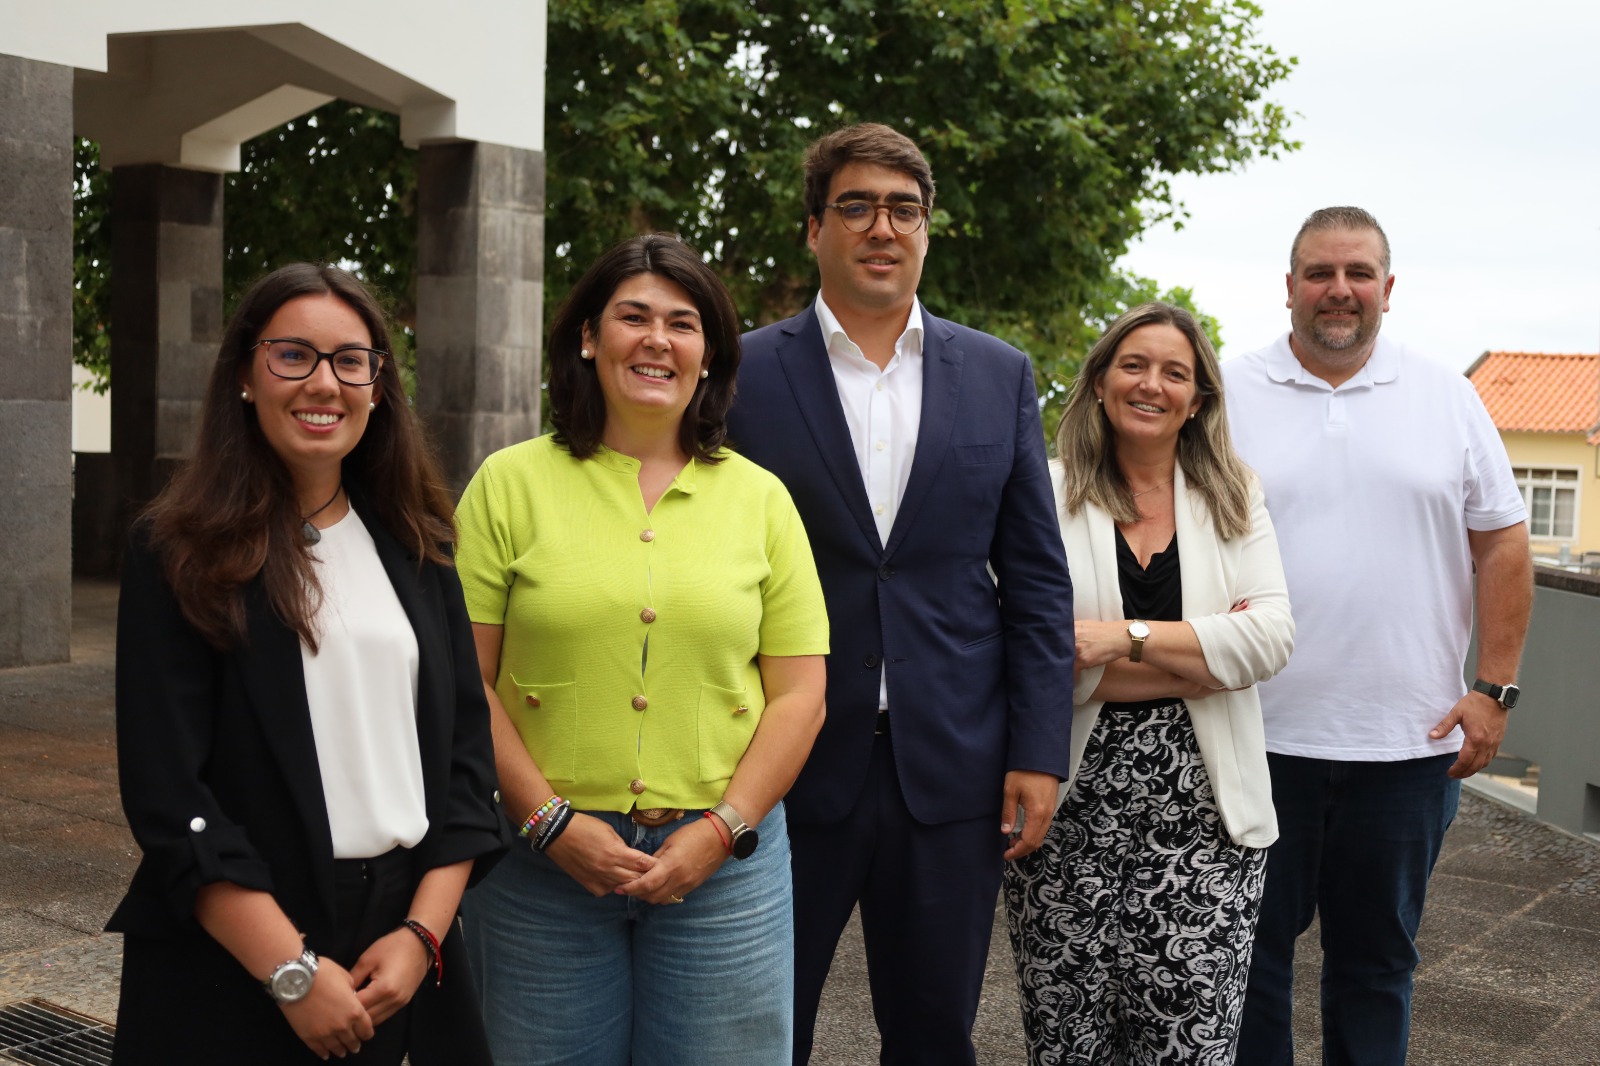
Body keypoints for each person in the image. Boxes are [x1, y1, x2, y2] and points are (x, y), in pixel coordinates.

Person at [727, 122, 1076, 1066]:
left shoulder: (998, 374)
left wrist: (1039, 751)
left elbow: (1037, 583)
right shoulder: (742, 374)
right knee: (761, 1033)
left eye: (903, 209)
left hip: (954, 770)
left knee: (934, 1036)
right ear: (814, 229)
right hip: (781, 764)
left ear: (926, 228)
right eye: (856, 207)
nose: (882, 228)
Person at [108, 263, 509, 1065]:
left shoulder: (419, 547)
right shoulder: (176, 551)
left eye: (350, 361)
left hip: (400, 949)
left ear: (378, 387)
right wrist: (289, 971)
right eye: (293, 355)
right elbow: (168, 794)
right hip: (236, 948)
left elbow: (466, 769)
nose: (324, 383)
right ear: (245, 375)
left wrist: (421, 937)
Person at [454, 232, 829, 1066]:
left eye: (683, 324)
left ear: (709, 355)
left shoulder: (762, 500)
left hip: (725, 872)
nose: (658, 339)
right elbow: (463, 683)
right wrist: (550, 823)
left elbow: (801, 696)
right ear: (589, 337)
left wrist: (721, 831)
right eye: (634, 317)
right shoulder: (507, 486)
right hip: (537, 869)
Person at [1226, 207, 1534, 1066]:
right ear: (1289, 287)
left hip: (1407, 746)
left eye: (1358, 273)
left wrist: (1494, 688)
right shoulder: (1227, 391)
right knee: (1248, 962)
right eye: (1320, 273)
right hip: (1253, 736)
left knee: (1378, 966)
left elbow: (1503, 541)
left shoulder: (1447, 396)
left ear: (1387, 290)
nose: (1340, 290)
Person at [1003, 302, 1295, 1065]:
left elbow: (1270, 638)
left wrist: (1118, 639)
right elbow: (1025, 651)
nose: (1151, 384)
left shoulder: (1233, 495)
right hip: (1066, 815)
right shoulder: (1043, 492)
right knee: (1068, 1046)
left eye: (1174, 373)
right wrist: (1199, 662)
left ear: (1197, 399)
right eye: (1133, 365)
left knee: (1189, 1048)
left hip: (1207, 824)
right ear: (1100, 382)